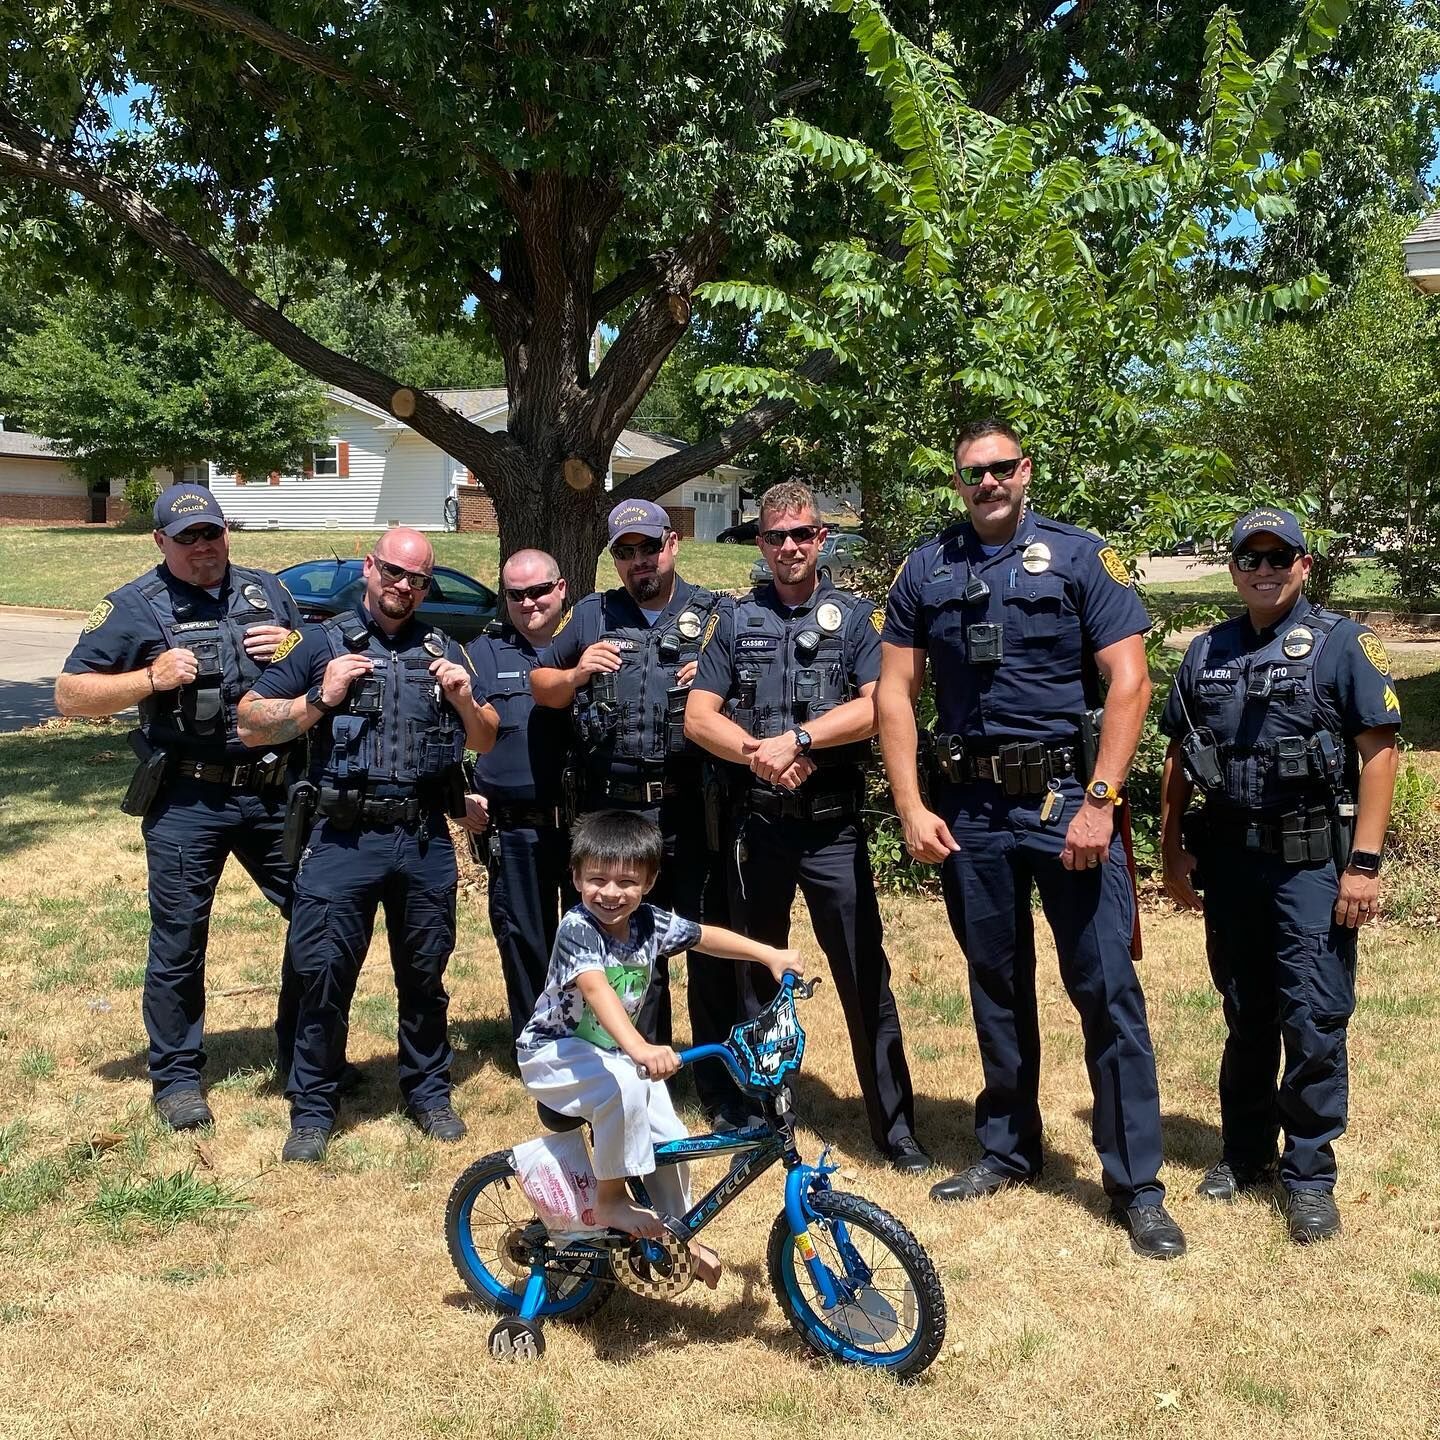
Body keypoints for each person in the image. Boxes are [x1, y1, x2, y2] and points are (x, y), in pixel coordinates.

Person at [876, 418, 1186, 1260]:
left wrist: (1100, 800)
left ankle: (1137, 1184)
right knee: (995, 983)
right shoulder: (926, 567)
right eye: (972, 473)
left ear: (1027, 470)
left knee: (1106, 990)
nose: (988, 484)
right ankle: (1009, 1148)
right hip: (969, 808)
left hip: (1064, 802)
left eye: (1001, 469)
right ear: (957, 481)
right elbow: (895, 694)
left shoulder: (1082, 557)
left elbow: (1131, 681)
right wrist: (910, 805)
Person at [1160, 507, 1400, 1244]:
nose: (1263, 570)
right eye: (1249, 559)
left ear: (1304, 565)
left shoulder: (1340, 646)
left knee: (1314, 1017)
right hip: (1232, 864)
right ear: (1234, 568)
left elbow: (1381, 753)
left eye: (1278, 557)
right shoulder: (1206, 652)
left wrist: (1363, 865)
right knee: (1247, 1013)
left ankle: (1308, 1172)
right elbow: (1179, 756)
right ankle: (1244, 1155)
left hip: (1310, 866)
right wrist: (1170, 853)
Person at [685, 480, 930, 1173]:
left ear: (821, 539)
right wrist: (760, 756)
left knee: (861, 974)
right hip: (758, 827)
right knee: (757, 975)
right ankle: (764, 1115)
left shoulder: (853, 619)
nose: (789, 547)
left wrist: (799, 740)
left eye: (802, 534)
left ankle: (894, 1127)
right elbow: (700, 716)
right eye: (775, 536)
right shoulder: (734, 620)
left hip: (832, 832)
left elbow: (879, 706)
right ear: (759, 543)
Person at [237, 527, 496, 1163]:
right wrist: (317, 700)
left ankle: (428, 1091)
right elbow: (248, 723)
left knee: (426, 972)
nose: (403, 587)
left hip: (421, 837)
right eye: (392, 573)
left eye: (417, 579)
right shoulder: (318, 643)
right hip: (341, 836)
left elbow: (485, 739)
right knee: (322, 972)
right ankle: (313, 1106)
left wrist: (464, 701)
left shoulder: (445, 650)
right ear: (370, 568)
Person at [56, 483, 305, 1132]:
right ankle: (175, 1079)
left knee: (317, 914)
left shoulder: (266, 591)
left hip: (270, 788)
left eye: (212, 533)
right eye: (188, 537)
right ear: (161, 541)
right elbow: (70, 695)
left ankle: (304, 1056)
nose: (204, 548)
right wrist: (149, 679)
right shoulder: (134, 607)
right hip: (188, 796)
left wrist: (292, 650)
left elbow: (313, 668)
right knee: (179, 941)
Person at [517, 808, 803, 1283]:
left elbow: (705, 937)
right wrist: (639, 1049)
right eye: (597, 879)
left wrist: (768, 954)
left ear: (649, 882)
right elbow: (595, 989)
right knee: (629, 1082)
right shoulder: (577, 928)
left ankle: (676, 1236)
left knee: (670, 1138)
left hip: (606, 1055)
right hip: (553, 1054)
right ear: (575, 878)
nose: (611, 893)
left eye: (627, 882)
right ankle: (610, 1201)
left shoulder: (647, 922)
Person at [530, 499, 745, 1127]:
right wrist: (576, 671)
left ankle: (719, 1083)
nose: (637, 562)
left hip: (686, 813)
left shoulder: (713, 615)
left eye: (647, 548)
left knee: (702, 951)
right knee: (625, 957)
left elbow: (746, 687)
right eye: (624, 552)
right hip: (614, 819)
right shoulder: (593, 614)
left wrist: (710, 682)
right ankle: (632, 1074)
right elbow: (541, 685)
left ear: (672, 544)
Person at [461, 549, 574, 1047]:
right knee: (524, 937)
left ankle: (592, 1035)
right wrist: (458, 795)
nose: (528, 603)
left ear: (561, 588)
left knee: (589, 935)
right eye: (516, 594)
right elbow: (448, 732)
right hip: (514, 826)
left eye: (538, 591)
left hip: (582, 823)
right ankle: (537, 1042)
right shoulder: (478, 654)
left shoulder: (590, 642)